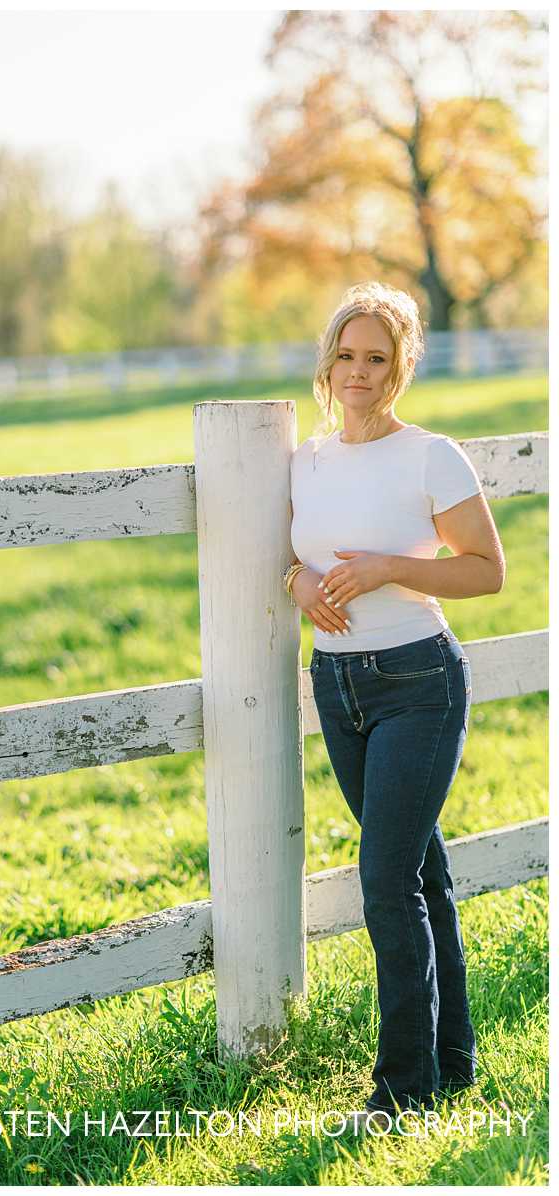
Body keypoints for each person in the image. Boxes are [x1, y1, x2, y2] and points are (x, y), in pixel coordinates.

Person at [284, 282, 504, 1120]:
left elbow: (487, 571)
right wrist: (297, 579)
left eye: (377, 358)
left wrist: (389, 567)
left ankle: (403, 1091)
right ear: (328, 360)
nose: (358, 372)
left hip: (418, 681)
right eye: (347, 355)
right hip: (338, 685)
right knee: (422, 874)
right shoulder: (305, 459)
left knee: (385, 881)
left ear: (401, 365)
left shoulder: (429, 456)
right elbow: (291, 557)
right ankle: (452, 1062)